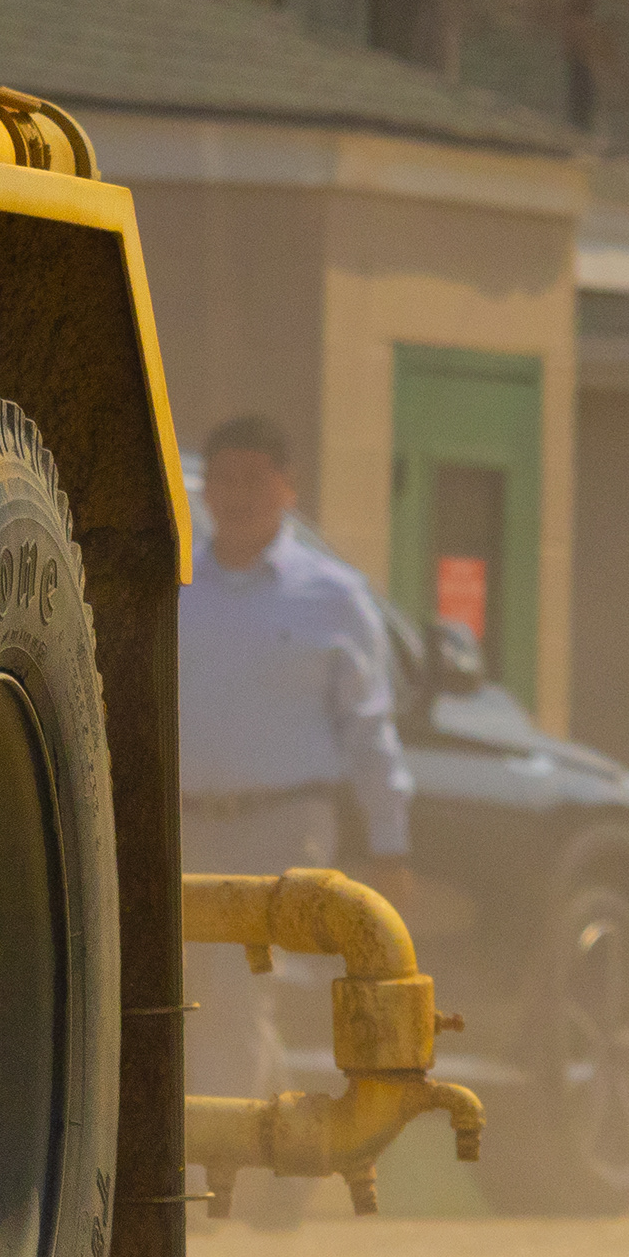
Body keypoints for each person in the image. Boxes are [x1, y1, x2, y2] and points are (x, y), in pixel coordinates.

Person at [178, 414, 417, 1209]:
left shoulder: (332, 597)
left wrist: (390, 844)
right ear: (205, 488)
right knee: (193, 999)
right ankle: (291, 1171)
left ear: (287, 489)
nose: (239, 495)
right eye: (225, 478)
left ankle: (218, 1193)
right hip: (181, 823)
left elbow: (369, 732)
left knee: (244, 996)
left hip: (283, 823)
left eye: (256, 478)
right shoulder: (172, 584)